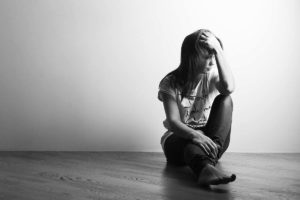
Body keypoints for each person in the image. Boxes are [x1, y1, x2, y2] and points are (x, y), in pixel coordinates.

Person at [157, 29, 236, 186]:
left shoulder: (212, 77)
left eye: (213, 56)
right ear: (191, 56)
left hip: (210, 141)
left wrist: (218, 48)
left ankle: (207, 161)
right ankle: (206, 167)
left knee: (225, 99)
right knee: (190, 142)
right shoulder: (171, 82)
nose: (212, 62)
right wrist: (196, 135)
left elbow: (229, 88)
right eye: (207, 57)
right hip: (177, 140)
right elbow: (173, 122)